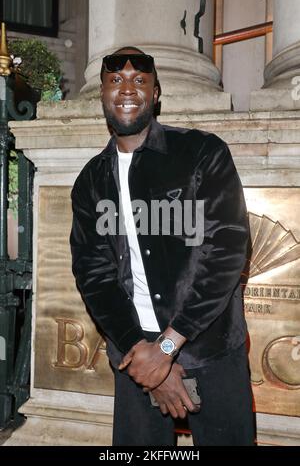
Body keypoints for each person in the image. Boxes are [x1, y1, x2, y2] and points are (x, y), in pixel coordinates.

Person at [70, 46, 255, 446]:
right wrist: (144, 353)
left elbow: (226, 254)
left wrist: (167, 347)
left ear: (155, 94)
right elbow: (93, 273)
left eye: (140, 80)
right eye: (115, 81)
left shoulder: (202, 153)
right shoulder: (90, 181)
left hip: (209, 347)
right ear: (102, 93)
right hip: (133, 353)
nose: (127, 89)